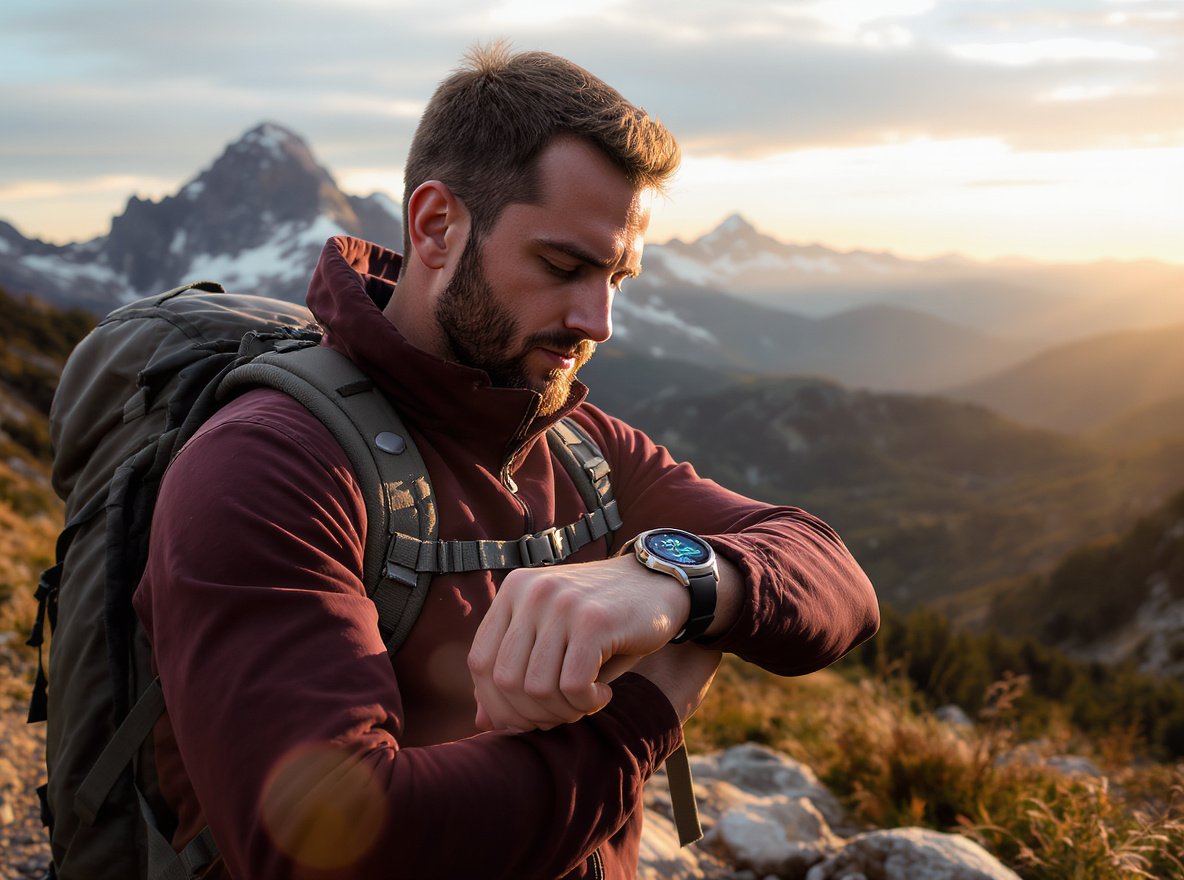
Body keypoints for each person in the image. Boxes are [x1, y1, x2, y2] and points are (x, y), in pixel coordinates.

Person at [132, 45, 879, 879]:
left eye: (618, 279)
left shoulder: (579, 447)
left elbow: (837, 580)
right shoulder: (268, 467)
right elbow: (317, 844)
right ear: (437, 227)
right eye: (563, 267)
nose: (597, 320)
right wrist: (649, 706)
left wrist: (678, 582)